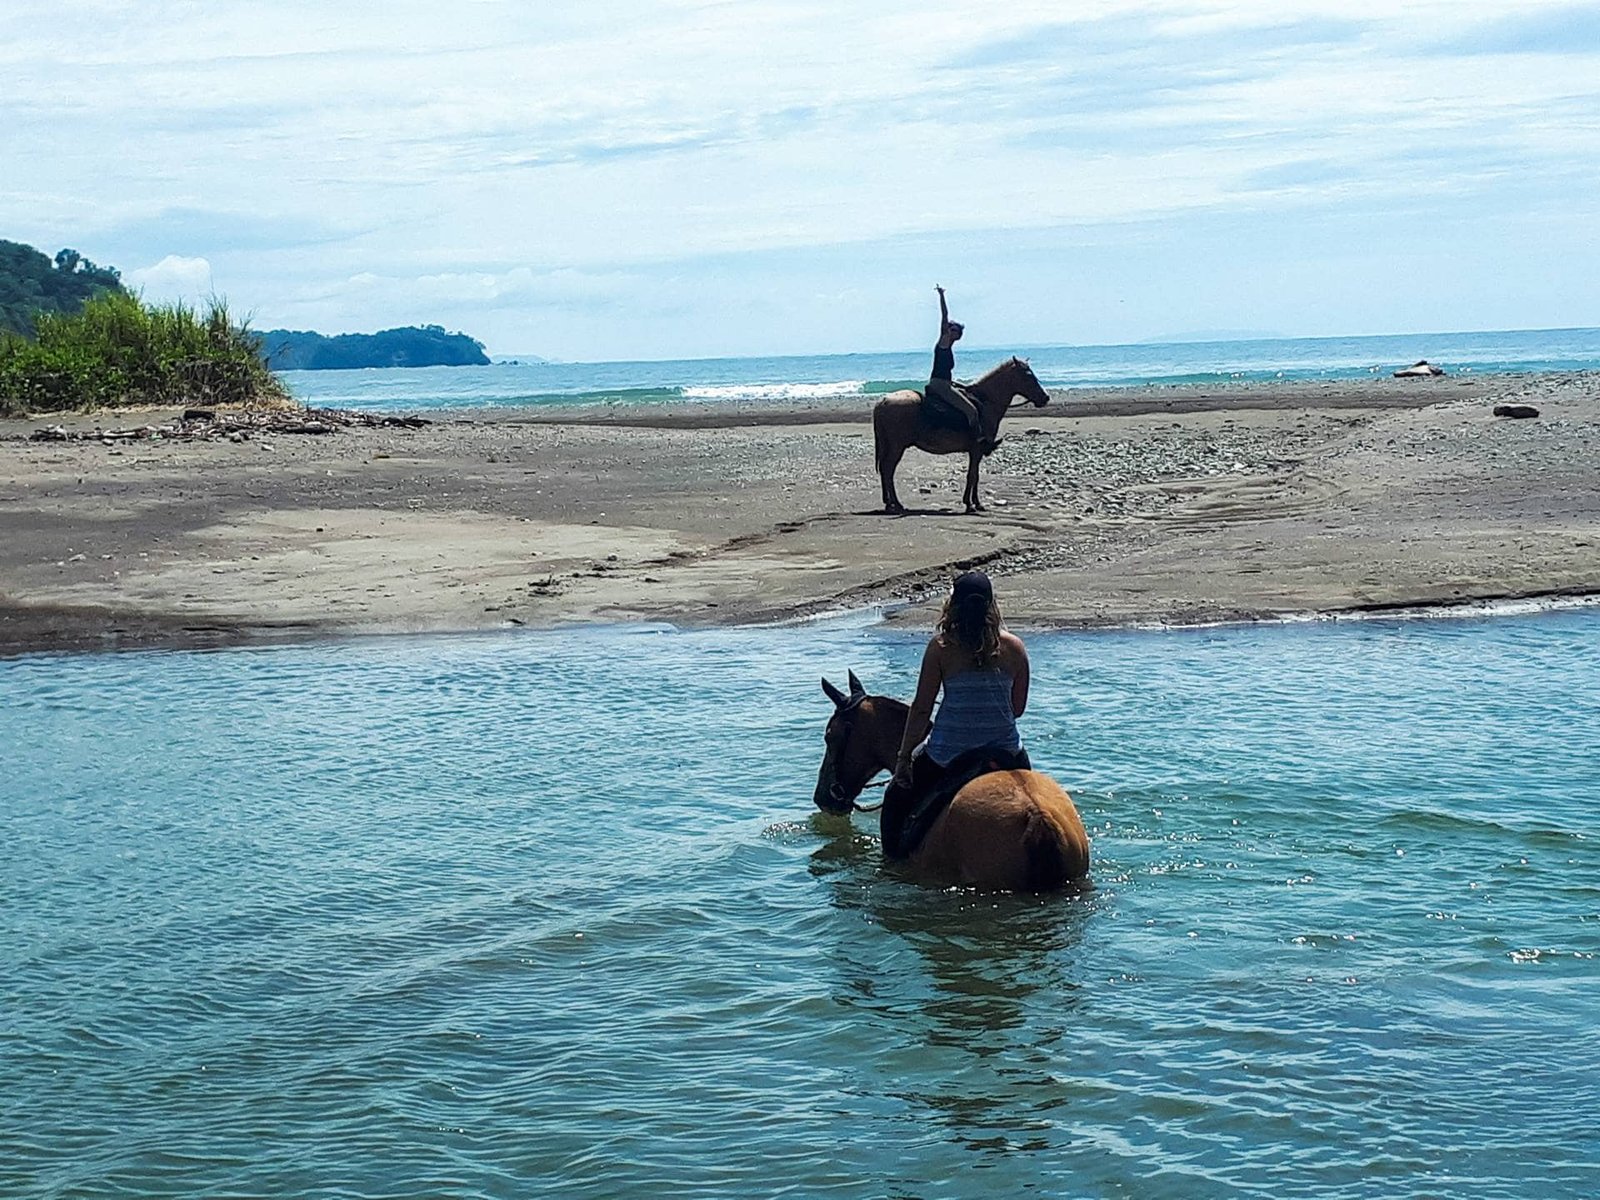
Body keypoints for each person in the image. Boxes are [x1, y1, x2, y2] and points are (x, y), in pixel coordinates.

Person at [882, 570, 1031, 858]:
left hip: (948, 754)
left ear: (953, 607)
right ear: (991, 606)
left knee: (896, 799)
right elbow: (1018, 709)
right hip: (1006, 753)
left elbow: (923, 708)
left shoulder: (941, 648)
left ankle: (892, 866)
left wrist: (902, 760)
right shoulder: (1015, 648)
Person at [925, 285, 990, 450]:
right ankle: (978, 440)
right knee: (972, 411)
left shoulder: (949, 346)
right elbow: (944, 316)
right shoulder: (944, 341)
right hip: (940, 385)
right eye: (952, 329)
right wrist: (941, 296)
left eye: (957, 330)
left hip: (944, 383)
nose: (954, 331)